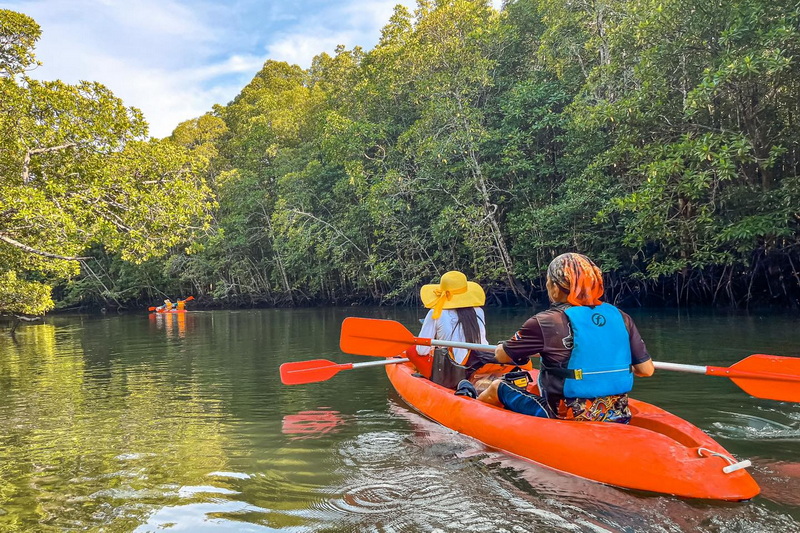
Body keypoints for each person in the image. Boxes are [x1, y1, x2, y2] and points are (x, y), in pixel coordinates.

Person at [474, 253, 655, 423]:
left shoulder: (545, 321)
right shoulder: (621, 317)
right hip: (617, 413)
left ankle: (474, 414)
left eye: (548, 282)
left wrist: (502, 347)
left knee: (498, 387)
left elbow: (503, 356)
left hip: (563, 416)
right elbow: (646, 370)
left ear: (555, 286)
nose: (547, 287)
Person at [404, 271, 495, 382]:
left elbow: (422, 350)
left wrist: (434, 346)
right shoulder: (479, 311)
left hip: (454, 371)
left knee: (411, 350)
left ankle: (429, 379)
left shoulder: (435, 312)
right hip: (481, 363)